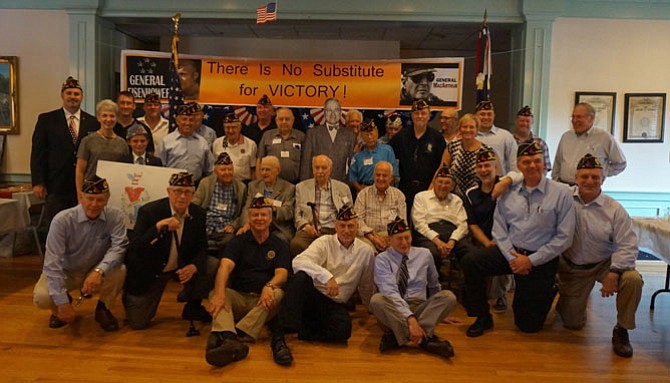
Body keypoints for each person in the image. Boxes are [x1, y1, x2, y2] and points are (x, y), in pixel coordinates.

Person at [460, 141, 575, 337]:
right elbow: (499, 229)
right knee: (471, 262)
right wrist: (512, 257)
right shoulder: (507, 191)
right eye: (526, 161)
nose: (532, 166)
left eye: (536, 161)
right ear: (519, 165)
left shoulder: (562, 193)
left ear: (544, 163)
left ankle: (548, 288)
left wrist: (530, 260)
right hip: (512, 252)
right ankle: (482, 316)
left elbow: (564, 237)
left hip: (541, 259)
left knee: (528, 326)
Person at [557, 153, 643, 358]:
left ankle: (622, 330)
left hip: (605, 262)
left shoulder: (614, 209)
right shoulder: (562, 198)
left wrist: (614, 273)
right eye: (584, 176)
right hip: (573, 266)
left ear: (603, 179)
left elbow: (629, 245)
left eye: (595, 177)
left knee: (632, 279)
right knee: (572, 323)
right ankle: (563, 295)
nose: (589, 181)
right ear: (576, 178)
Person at [271, 205, 375, 365]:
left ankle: (300, 327)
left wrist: (370, 309)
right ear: (336, 226)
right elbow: (298, 261)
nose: (346, 230)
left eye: (350, 226)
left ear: (357, 227)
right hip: (313, 293)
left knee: (344, 330)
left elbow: (366, 284)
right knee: (300, 278)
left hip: (334, 302)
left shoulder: (366, 251)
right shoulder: (324, 242)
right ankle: (278, 338)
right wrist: (326, 276)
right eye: (342, 226)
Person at [33, 177, 127, 331]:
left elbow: (119, 248)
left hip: (93, 269)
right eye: (90, 198)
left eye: (100, 200)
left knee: (120, 270)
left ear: (107, 199)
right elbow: (52, 264)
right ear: (81, 197)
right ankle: (60, 309)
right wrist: (61, 301)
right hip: (66, 272)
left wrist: (100, 270)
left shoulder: (115, 216)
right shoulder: (62, 221)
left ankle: (103, 309)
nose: (94, 204)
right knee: (41, 297)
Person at [205, 196, 291, 367]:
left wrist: (269, 286)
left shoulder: (280, 244)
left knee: (279, 293)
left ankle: (233, 334)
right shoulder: (238, 241)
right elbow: (224, 267)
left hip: (263, 301)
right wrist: (220, 293)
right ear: (249, 218)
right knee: (217, 292)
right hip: (240, 297)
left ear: (270, 218)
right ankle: (231, 340)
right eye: (255, 215)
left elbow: (282, 274)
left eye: (263, 215)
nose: (259, 218)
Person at [123, 172, 212, 330]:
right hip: (153, 271)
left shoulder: (198, 214)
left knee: (212, 264)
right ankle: (132, 297)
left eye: (187, 192)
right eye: (177, 191)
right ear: (169, 191)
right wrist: (157, 228)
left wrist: (193, 267)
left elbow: (202, 247)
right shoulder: (149, 212)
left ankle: (193, 303)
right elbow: (135, 248)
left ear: (193, 194)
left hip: (179, 267)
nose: (182, 197)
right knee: (138, 323)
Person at [370, 216, 457, 358]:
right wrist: (411, 319)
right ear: (389, 240)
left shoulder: (424, 254)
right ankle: (425, 340)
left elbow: (434, 284)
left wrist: (440, 311)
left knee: (449, 297)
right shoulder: (382, 259)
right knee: (376, 300)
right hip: (395, 309)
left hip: (420, 306)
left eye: (407, 237)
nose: (404, 243)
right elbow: (390, 293)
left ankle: (399, 337)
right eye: (399, 239)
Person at [30, 76, 100, 237]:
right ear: (62, 95)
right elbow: (38, 153)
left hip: (85, 184)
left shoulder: (93, 122)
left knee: (82, 228)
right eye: (69, 93)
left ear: (81, 97)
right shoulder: (47, 120)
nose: (72, 97)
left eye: (76, 93)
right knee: (56, 226)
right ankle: (55, 260)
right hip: (56, 184)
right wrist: (38, 182)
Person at [464, 149, 512, 313]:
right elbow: (473, 225)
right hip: (481, 239)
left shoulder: (507, 188)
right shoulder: (471, 193)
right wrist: (487, 242)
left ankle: (501, 295)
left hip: (506, 240)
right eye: (480, 166)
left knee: (503, 252)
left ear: (496, 168)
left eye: (487, 166)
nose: (484, 170)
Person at [390, 99, 446, 220]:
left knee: (425, 223)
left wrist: (433, 188)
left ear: (429, 115)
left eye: (423, 113)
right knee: (403, 224)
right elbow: (387, 156)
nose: (420, 116)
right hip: (405, 189)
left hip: (428, 189)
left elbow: (443, 165)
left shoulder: (437, 138)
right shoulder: (401, 136)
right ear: (411, 115)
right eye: (416, 113)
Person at [412, 166, 470, 276]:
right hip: (428, 234)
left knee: (470, 254)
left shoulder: (457, 200)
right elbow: (419, 224)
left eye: (447, 183)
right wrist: (438, 242)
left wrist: (452, 241)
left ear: (452, 186)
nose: (443, 186)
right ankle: (432, 288)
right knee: (431, 254)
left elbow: (463, 225)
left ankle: (469, 291)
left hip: (452, 233)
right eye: (440, 182)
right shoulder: (421, 197)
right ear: (434, 182)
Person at [291, 155, 353, 257]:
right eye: (317, 167)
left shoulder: (343, 188)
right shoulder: (301, 187)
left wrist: (342, 228)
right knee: (296, 244)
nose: (320, 171)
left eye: (324, 168)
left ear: (330, 169)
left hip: (335, 231)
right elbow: (297, 215)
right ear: (312, 169)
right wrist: (305, 226)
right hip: (311, 230)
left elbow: (350, 215)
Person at [552, 102, 627, 185]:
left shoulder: (604, 137)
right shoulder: (566, 137)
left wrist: (601, 173)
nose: (574, 120)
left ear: (591, 118)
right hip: (564, 187)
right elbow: (557, 163)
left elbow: (620, 163)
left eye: (579, 117)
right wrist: (555, 182)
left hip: (589, 187)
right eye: (573, 117)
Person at [75, 99, 129, 199]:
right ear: (98, 118)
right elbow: (80, 171)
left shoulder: (122, 143)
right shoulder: (87, 141)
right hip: (91, 192)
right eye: (104, 115)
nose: (108, 119)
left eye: (112, 116)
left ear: (117, 118)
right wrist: (80, 195)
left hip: (115, 193)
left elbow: (125, 171)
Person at [192, 152, 247, 249]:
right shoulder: (205, 183)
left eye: (230, 169)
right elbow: (195, 204)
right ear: (216, 171)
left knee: (233, 241)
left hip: (225, 229)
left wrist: (233, 226)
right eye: (223, 170)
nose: (227, 172)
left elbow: (242, 213)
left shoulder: (240, 187)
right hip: (206, 225)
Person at [237, 155, 295, 244]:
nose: (264, 173)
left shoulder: (288, 188)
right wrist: (247, 224)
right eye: (262, 169)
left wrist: (274, 208)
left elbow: (288, 212)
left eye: (267, 169)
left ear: (277, 171)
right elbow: (246, 208)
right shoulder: (253, 186)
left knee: (279, 241)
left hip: (277, 228)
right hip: (255, 225)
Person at [435, 113, 494, 198]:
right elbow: (441, 170)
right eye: (465, 127)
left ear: (477, 129)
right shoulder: (452, 146)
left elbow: (492, 177)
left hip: (478, 199)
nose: (468, 130)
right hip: (453, 199)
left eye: (471, 127)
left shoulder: (486, 150)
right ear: (460, 129)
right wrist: (430, 191)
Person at [300, 98, 356, 182]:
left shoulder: (350, 135)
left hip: (341, 185)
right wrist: (305, 186)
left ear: (341, 113)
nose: (333, 114)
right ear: (324, 112)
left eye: (336, 110)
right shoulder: (312, 133)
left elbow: (353, 164)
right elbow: (305, 165)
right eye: (329, 110)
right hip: (317, 184)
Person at [354, 161, 406, 253]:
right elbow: (358, 221)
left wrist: (389, 238)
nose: (381, 178)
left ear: (391, 178)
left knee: (397, 251)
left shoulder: (399, 195)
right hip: (368, 236)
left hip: (392, 236)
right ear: (373, 176)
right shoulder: (363, 194)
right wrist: (373, 238)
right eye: (378, 175)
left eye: (384, 175)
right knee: (366, 252)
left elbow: (402, 221)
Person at [156, 102, 214, 183]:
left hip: (195, 186)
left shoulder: (202, 142)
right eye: (184, 119)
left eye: (191, 120)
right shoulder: (166, 141)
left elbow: (210, 169)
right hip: (171, 186)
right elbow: (158, 168)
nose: (188, 123)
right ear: (177, 121)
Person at [257, 107, 305, 184]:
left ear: (293, 120)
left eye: (287, 119)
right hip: (271, 183)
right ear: (276, 121)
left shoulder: (301, 137)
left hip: (295, 183)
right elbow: (259, 160)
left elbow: (306, 162)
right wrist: (259, 183)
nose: (284, 122)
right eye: (281, 119)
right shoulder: (267, 135)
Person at [348, 119, 398, 193]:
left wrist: (384, 189)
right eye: (366, 135)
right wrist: (361, 190)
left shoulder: (387, 150)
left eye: (372, 134)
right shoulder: (357, 154)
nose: (370, 137)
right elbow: (353, 177)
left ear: (377, 133)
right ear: (361, 135)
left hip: (384, 189)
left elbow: (393, 174)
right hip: (364, 190)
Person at [474, 100, 518, 175]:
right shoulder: (470, 136)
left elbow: (514, 165)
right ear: (475, 116)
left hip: (499, 183)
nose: (486, 117)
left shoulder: (505, 136)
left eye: (489, 114)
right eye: (482, 114)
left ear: (494, 116)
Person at [213, 112, 257, 184]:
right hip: (222, 184)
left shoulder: (251, 144)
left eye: (233, 127)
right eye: (227, 127)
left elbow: (253, 170)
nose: (230, 131)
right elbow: (215, 168)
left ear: (240, 128)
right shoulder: (217, 143)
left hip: (243, 184)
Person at [512, 105, 551, 172]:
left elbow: (545, 168)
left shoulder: (540, 143)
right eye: (522, 120)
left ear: (532, 123)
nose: (524, 124)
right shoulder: (508, 140)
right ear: (516, 122)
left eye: (527, 121)